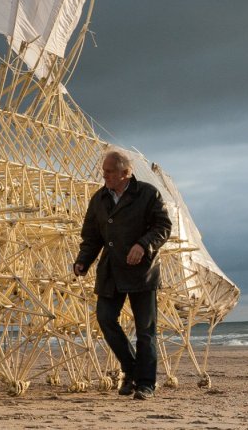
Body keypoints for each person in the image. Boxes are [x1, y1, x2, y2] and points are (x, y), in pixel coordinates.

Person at [73, 149, 172, 400]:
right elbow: (91, 237)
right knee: (105, 319)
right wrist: (83, 261)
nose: (104, 175)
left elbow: (163, 226)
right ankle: (131, 369)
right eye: (104, 170)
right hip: (111, 271)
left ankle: (146, 384)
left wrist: (143, 245)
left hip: (142, 270)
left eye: (109, 171)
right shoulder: (99, 200)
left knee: (145, 330)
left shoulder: (148, 194)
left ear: (126, 173)